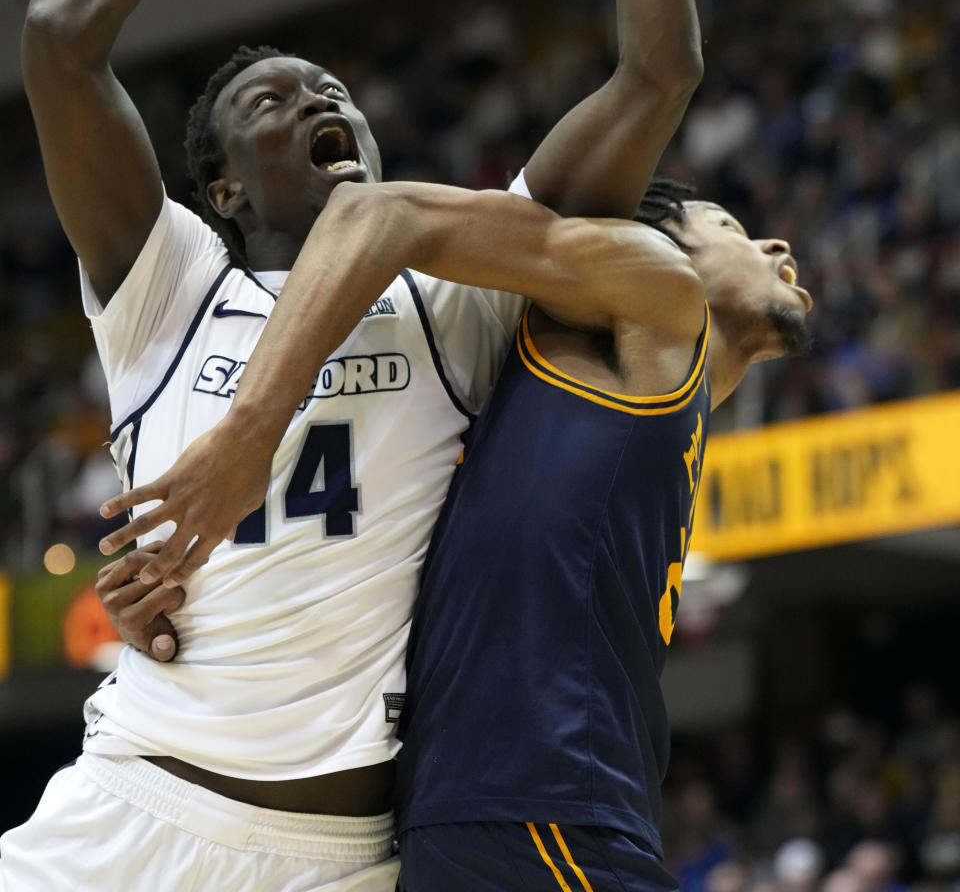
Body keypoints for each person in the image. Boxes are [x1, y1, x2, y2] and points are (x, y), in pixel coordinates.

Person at [1, 0, 733, 892]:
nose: (321, 101)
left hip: (337, 857)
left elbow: (656, 73)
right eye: (273, 102)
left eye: (333, 90)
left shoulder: (452, 301)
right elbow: (60, 40)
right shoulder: (163, 288)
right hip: (132, 810)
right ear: (219, 187)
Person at [100, 168, 813, 892]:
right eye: (728, 226)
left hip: (533, 816)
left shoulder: (647, 418)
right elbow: (373, 212)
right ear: (658, 251)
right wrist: (244, 441)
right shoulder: (629, 326)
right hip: (534, 808)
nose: (774, 240)